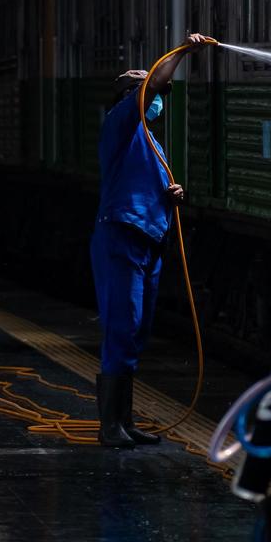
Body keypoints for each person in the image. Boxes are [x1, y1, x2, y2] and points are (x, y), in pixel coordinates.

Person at [91, 33, 210, 448]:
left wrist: (170, 194)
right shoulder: (121, 126)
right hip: (122, 238)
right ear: (132, 97)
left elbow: (144, 185)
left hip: (147, 243)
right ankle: (110, 427)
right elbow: (152, 89)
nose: (159, 103)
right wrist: (184, 51)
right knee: (122, 328)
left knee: (137, 330)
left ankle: (124, 421)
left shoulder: (148, 140)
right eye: (150, 94)